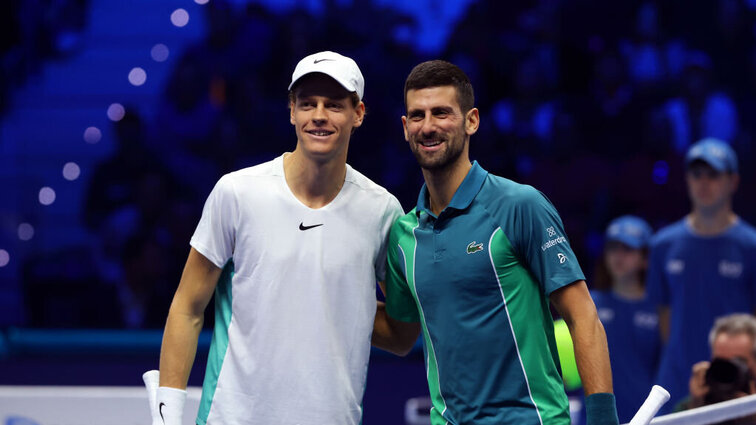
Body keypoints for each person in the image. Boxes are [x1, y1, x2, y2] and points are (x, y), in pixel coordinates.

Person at [154, 51, 404, 425]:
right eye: (307, 103)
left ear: (358, 114)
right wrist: (166, 416)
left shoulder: (382, 211)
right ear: (292, 111)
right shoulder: (236, 193)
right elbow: (188, 307)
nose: (319, 115)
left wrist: (333, 303)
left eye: (334, 105)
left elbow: (400, 336)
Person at [374, 60, 618, 425]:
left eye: (441, 113)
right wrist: (328, 304)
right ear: (405, 127)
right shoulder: (402, 235)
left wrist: (603, 420)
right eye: (418, 115)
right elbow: (400, 336)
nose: (428, 126)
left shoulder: (520, 205)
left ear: (471, 120)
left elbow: (582, 315)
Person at [646, 138, 756, 410]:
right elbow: (664, 320)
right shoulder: (662, 245)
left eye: (714, 174)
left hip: (735, 383)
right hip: (674, 380)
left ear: (733, 182)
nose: (703, 182)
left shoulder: (751, 246)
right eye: (696, 174)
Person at [591, 215, 660, 423]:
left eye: (628, 249)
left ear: (645, 258)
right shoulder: (588, 304)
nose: (618, 256)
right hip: (601, 417)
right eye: (612, 248)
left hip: (651, 416)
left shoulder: (661, 309)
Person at [679, 313, 756, 422]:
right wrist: (696, 408)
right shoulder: (696, 404)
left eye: (738, 362)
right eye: (721, 363)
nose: (728, 371)